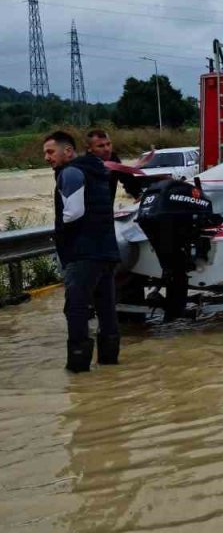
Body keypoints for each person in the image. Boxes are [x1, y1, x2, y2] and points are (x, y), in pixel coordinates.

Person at [43, 131, 121, 372]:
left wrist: (62, 234)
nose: (47, 157)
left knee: (76, 310)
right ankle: (110, 366)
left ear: (68, 151)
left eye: (50, 152)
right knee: (106, 309)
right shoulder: (97, 170)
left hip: (82, 253)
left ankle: (78, 372)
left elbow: (73, 213)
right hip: (106, 250)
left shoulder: (71, 172)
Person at [86, 128, 144, 201]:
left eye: (108, 144)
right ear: (89, 148)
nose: (107, 149)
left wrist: (138, 193)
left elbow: (126, 176)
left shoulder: (113, 158)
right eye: (100, 146)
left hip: (108, 205)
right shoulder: (84, 166)